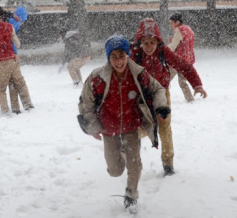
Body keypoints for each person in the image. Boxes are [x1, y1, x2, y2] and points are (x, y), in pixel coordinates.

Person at [77, 35, 169, 214]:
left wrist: (161, 106)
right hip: (108, 128)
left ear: (128, 55)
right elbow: (85, 103)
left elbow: (158, 88)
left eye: (122, 56)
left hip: (130, 126)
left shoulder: (139, 74)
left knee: (135, 164)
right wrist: (93, 127)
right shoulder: (97, 78)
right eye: (114, 57)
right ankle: (122, 156)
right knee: (115, 170)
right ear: (108, 58)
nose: (118, 61)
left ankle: (131, 196)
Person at [130, 18, 208, 176]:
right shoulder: (134, 54)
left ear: (158, 41)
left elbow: (183, 65)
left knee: (164, 129)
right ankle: (133, 155)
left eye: (153, 42)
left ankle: (168, 165)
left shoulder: (162, 51)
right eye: (145, 42)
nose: (149, 46)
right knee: (139, 128)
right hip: (142, 96)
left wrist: (197, 84)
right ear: (140, 42)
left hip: (162, 93)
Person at [168, 12, 196, 102]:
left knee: (165, 79)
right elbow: (186, 44)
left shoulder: (179, 30)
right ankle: (190, 99)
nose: (170, 26)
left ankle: (161, 98)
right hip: (186, 61)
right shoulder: (189, 29)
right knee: (183, 82)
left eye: (171, 23)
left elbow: (173, 46)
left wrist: (162, 48)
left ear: (177, 22)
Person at [58, 18, 91, 87]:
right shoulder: (74, 35)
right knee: (75, 66)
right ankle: (80, 82)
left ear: (62, 34)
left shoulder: (68, 38)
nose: (60, 37)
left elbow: (67, 52)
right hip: (87, 55)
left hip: (82, 55)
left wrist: (63, 63)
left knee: (70, 67)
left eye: (60, 35)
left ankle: (77, 82)